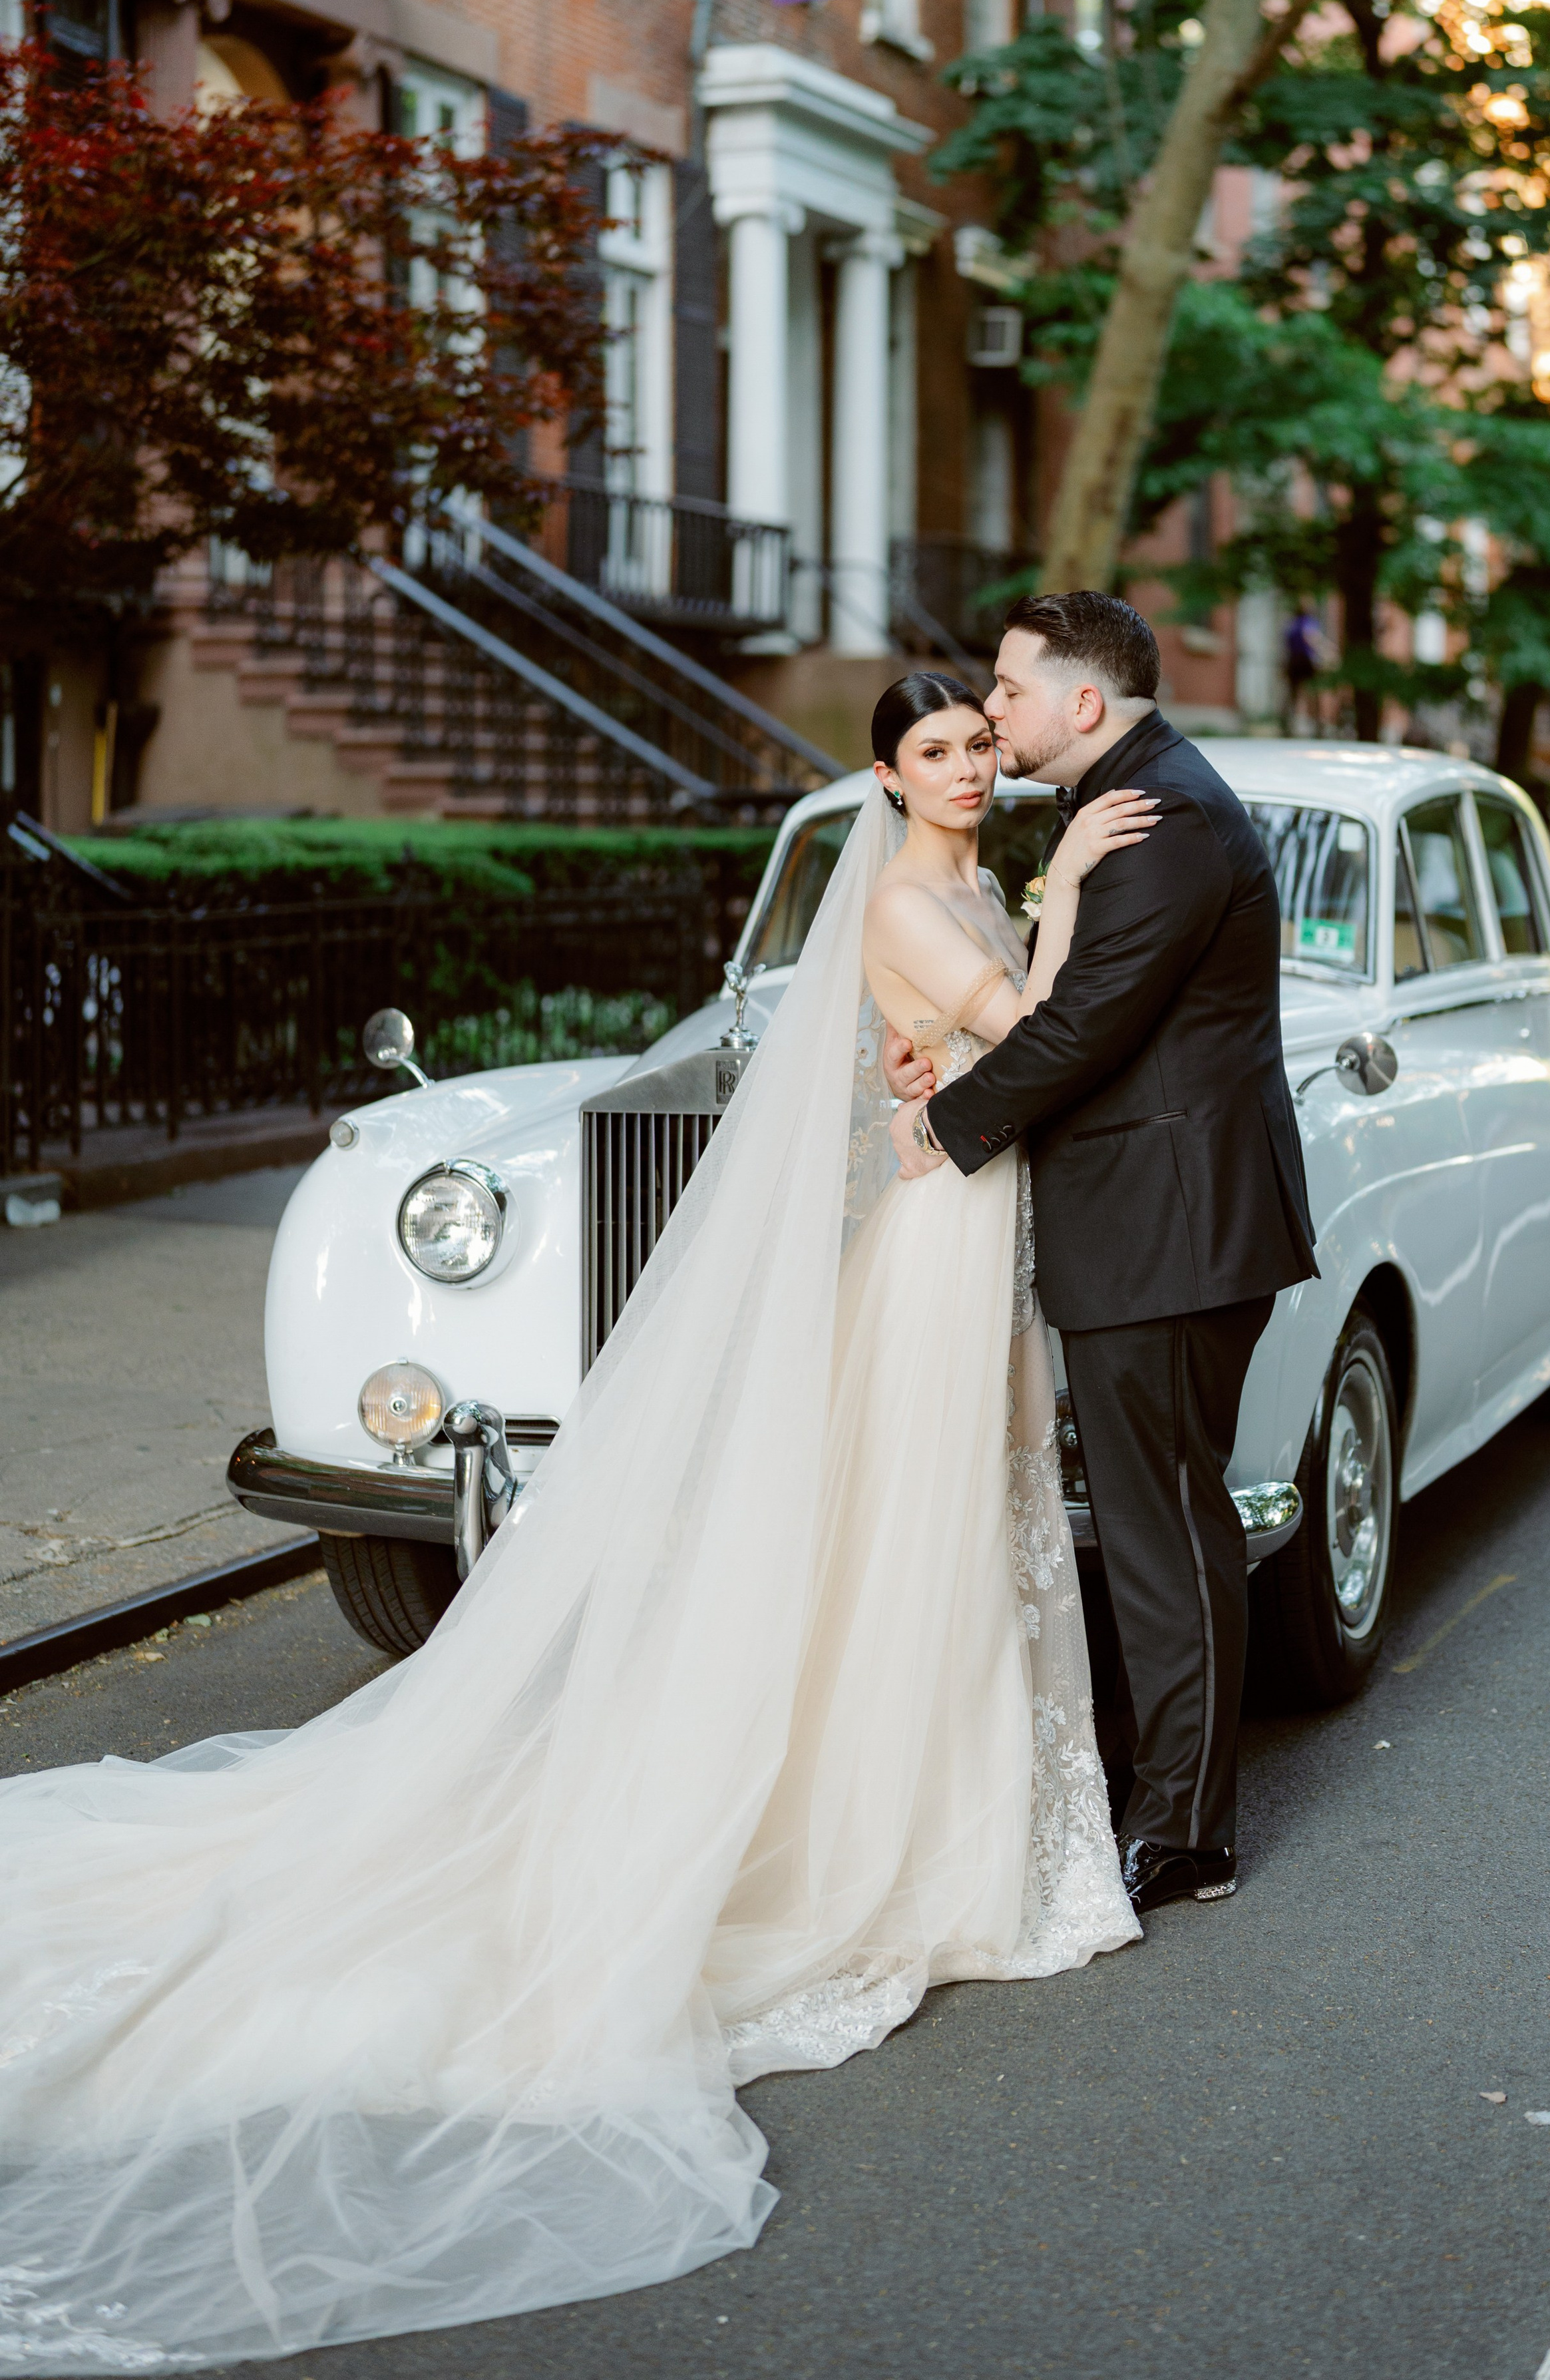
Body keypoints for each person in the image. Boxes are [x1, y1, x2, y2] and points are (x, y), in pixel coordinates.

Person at [0, 676, 1150, 2374]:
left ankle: (934, 1815)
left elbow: (934, 1042)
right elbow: (1031, 1029)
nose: (972, 771)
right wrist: (1057, 910)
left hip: (960, 1221)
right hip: (932, 1243)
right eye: (936, 756)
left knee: (939, 1534)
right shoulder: (916, 884)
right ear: (883, 778)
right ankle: (888, 1838)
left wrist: (961, 992)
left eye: (982, 747)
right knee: (913, 1533)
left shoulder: (953, 876)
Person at [887, 593, 1317, 1918]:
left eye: (1008, 691)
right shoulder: (1131, 804)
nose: (991, 713)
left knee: (1166, 1527)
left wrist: (942, 1127)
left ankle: (1185, 1833)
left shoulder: (1161, 819)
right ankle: (1164, 1789)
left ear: (1082, 702)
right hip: (1152, 1223)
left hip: (1165, 1229)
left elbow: (1082, 1029)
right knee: (1152, 1521)